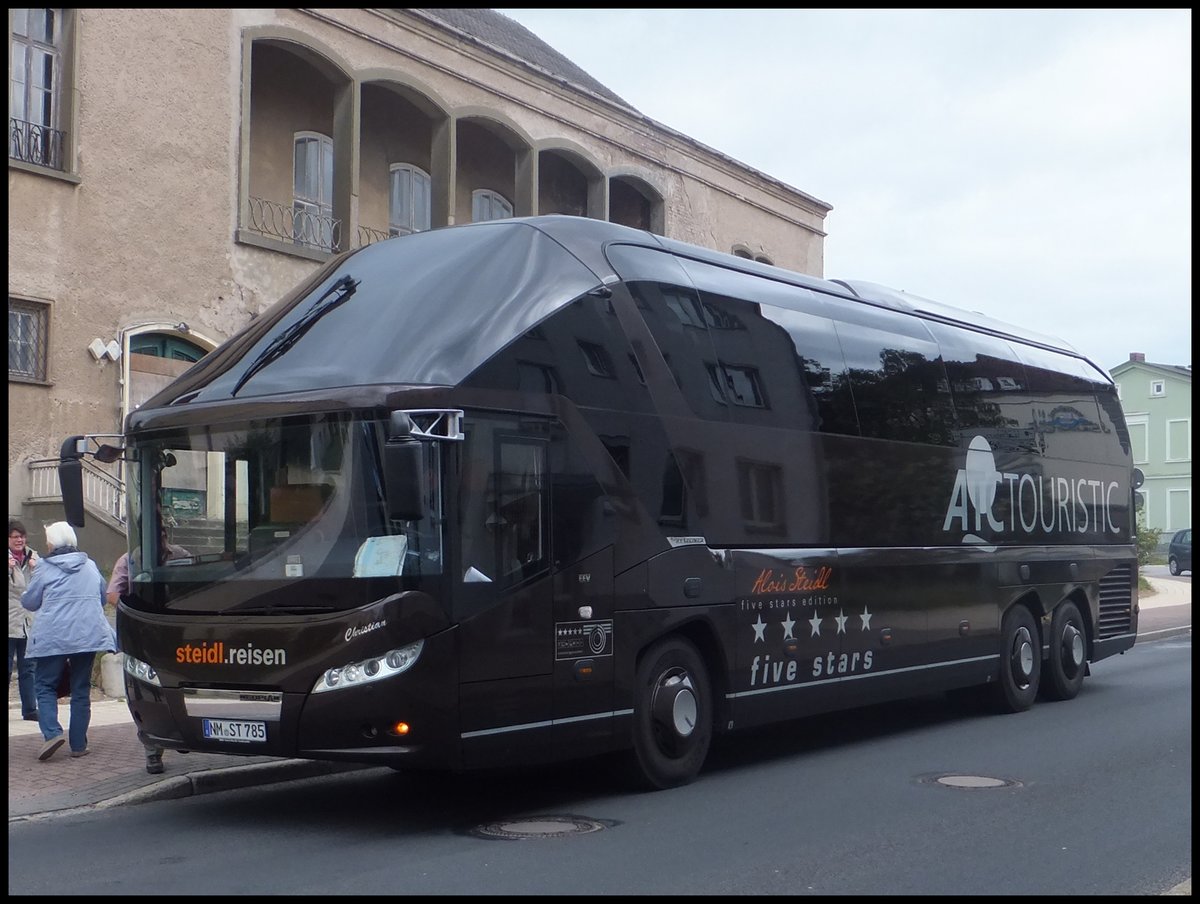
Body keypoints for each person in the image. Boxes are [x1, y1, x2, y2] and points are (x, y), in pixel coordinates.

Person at [20, 521, 116, 762]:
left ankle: (52, 733)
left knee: (45, 686)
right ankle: (78, 745)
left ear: (52, 542)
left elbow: (30, 602)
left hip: (54, 635)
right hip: (88, 634)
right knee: (81, 689)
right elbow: (102, 597)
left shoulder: (43, 567)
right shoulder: (91, 566)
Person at [105, 526, 189, 774]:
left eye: (162, 534)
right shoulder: (129, 559)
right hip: (146, 636)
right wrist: (138, 610)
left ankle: (183, 733)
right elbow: (112, 594)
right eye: (155, 534)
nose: (160, 539)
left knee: (181, 687)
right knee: (148, 691)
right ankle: (153, 752)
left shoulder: (180, 555)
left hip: (178, 635)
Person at [8, 519, 39, 721]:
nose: (19, 540)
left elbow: (42, 585)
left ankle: (29, 709)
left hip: (28, 622)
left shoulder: (33, 556)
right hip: (10, 621)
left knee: (28, 668)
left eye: (22, 536)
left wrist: (36, 568)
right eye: (15, 537)